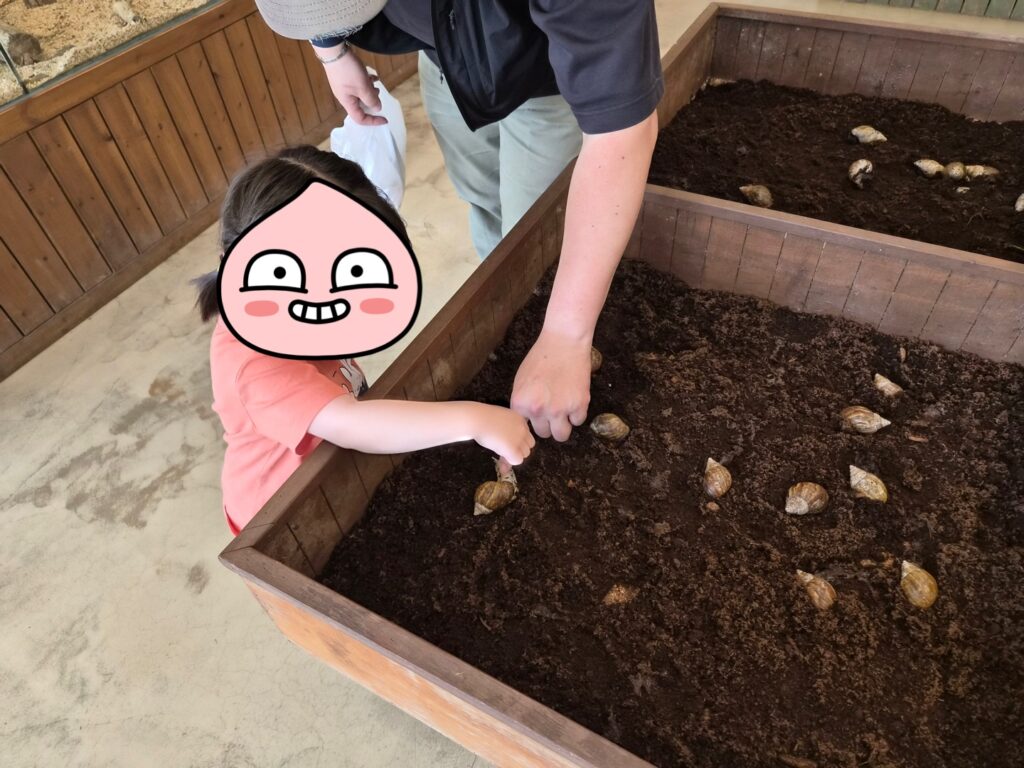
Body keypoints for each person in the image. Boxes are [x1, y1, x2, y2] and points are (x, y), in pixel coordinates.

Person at [253, 0, 663, 444]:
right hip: (444, 58)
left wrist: (566, 334)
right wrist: (330, 46)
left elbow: (621, 129)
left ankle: (554, 345)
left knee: (536, 237)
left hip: (547, 75)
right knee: (484, 199)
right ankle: (516, 319)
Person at [193, 146, 534, 535]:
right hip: (279, 516)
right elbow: (351, 423)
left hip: (334, 472)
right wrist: (474, 418)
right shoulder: (255, 366)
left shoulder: (309, 321)